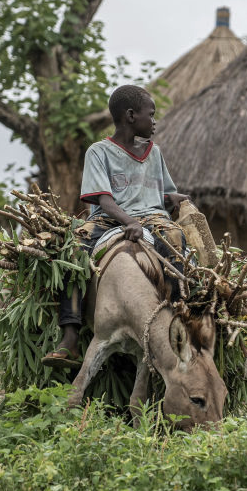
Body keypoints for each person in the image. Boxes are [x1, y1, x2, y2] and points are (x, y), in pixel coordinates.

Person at [42, 85, 188, 368]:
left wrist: (175, 198)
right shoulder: (99, 151)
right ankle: (70, 335)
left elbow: (162, 194)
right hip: (109, 218)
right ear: (131, 115)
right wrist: (129, 221)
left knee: (175, 237)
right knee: (74, 248)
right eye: (151, 114)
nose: (155, 121)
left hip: (153, 217)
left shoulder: (154, 153)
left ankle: (178, 315)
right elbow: (104, 199)